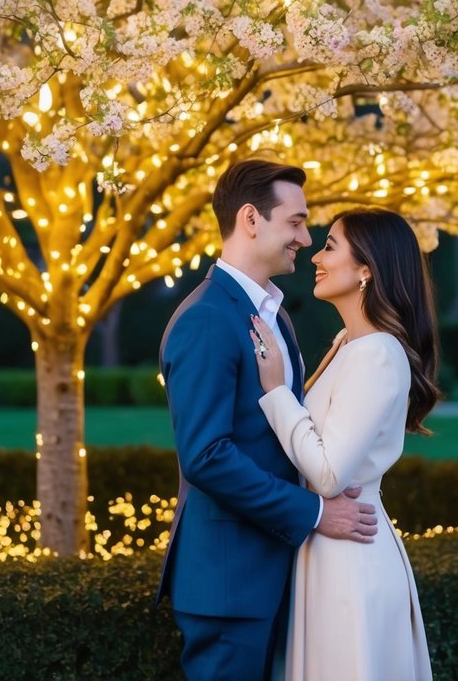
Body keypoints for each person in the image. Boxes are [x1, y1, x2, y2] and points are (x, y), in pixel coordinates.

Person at [158, 159, 379, 681]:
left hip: (272, 568)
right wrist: (314, 512)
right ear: (251, 219)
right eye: (296, 222)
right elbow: (206, 456)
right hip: (228, 583)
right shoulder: (207, 319)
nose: (306, 237)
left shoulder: (273, 314)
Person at [250, 208, 440, 681]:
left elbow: (330, 472)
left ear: (367, 269)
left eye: (330, 246)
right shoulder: (347, 343)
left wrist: (275, 392)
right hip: (329, 548)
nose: (316, 255)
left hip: (353, 562)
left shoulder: (377, 353)